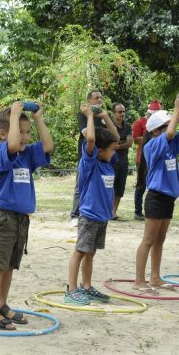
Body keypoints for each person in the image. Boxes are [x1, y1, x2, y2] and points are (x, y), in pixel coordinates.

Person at [0, 101, 53, 329]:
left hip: (22, 219)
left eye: (27, 132)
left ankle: (1, 304)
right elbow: (12, 144)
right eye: (19, 132)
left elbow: (48, 145)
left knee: (10, 266)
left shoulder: (27, 155)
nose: (24, 137)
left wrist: (38, 118)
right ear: (4, 133)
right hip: (4, 218)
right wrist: (14, 115)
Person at [133, 95, 179, 292]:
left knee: (160, 240)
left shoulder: (172, 144)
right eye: (167, 125)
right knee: (148, 240)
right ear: (156, 131)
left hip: (169, 198)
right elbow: (169, 133)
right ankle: (139, 280)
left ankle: (155, 277)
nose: (172, 129)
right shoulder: (152, 145)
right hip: (156, 198)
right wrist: (175, 109)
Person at [64, 104, 120, 305]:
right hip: (89, 216)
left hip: (102, 217)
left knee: (91, 252)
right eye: (111, 150)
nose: (114, 153)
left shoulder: (107, 164)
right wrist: (88, 115)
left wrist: (105, 116)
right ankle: (71, 290)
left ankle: (86, 286)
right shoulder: (90, 163)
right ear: (99, 150)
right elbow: (90, 139)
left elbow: (117, 139)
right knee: (80, 251)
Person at [69, 90, 106, 227]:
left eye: (101, 97)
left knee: (97, 185)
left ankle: (92, 212)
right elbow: (86, 134)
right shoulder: (83, 115)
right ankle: (75, 215)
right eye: (96, 97)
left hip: (102, 157)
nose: (99, 100)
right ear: (89, 100)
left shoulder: (103, 116)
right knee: (81, 185)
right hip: (87, 156)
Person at [132, 100, 162, 220]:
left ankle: (153, 210)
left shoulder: (163, 123)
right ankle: (138, 211)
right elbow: (135, 139)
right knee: (141, 185)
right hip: (143, 158)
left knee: (155, 186)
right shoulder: (140, 122)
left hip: (158, 158)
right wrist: (150, 137)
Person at [110, 102, 133, 220]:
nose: (122, 114)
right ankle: (107, 210)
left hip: (123, 160)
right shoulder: (108, 125)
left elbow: (130, 143)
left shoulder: (128, 126)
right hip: (111, 160)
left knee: (120, 187)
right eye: (119, 112)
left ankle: (113, 212)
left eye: (123, 111)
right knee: (109, 186)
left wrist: (117, 145)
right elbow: (108, 141)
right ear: (114, 113)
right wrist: (116, 144)